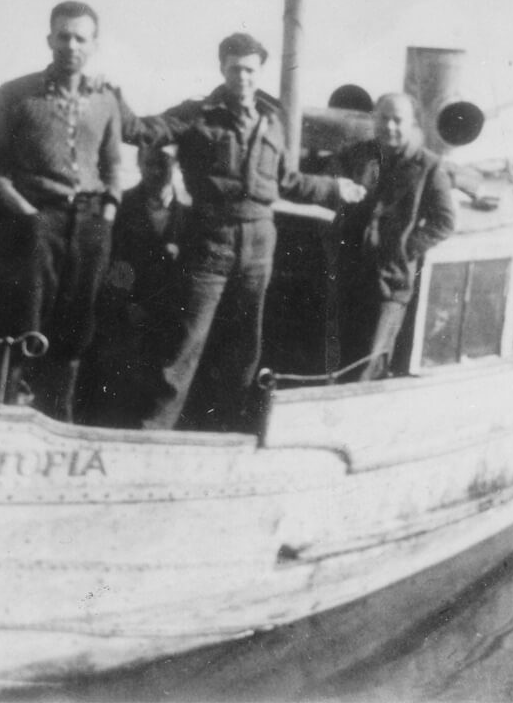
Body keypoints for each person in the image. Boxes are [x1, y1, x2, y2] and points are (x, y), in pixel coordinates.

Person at [121, 32, 366, 431]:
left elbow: (286, 180)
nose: (244, 78)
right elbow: (140, 131)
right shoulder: (195, 114)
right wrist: (112, 98)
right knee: (185, 343)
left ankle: (230, 429)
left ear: (259, 71)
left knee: (244, 346)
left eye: (251, 70)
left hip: (258, 246)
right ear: (222, 68)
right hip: (209, 240)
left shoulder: (272, 122)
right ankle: (155, 432)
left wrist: (335, 189)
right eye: (235, 69)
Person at [0, 0, 130, 421]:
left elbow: (114, 162)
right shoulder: (15, 94)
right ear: (49, 39)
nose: (71, 45)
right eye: (63, 36)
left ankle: (56, 420)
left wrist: (111, 208)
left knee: (77, 326)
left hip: (91, 222)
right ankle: (5, 417)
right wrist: (28, 214)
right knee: (24, 319)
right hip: (36, 220)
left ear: (94, 45)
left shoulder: (105, 100)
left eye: (80, 38)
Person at [329, 92, 456, 381]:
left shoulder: (429, 167)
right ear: (374, 119)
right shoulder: (358, 155)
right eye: (383, 118)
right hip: (351, 273)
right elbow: (332, 173)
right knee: (342, 355)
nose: (390, 126)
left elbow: (445, 221)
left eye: (398, 120)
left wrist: (404, 249)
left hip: (390, 280)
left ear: (412, 124)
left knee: (368, 363)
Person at [78, 145, 188, 427]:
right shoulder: (123, 207)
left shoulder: (188, 214)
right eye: (149, 163)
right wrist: (128, 304)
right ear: (139, 164)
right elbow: (115, 261)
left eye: (163, 164)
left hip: (169, 316)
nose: (155, 171)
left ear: (174, 166)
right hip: (125, 311)